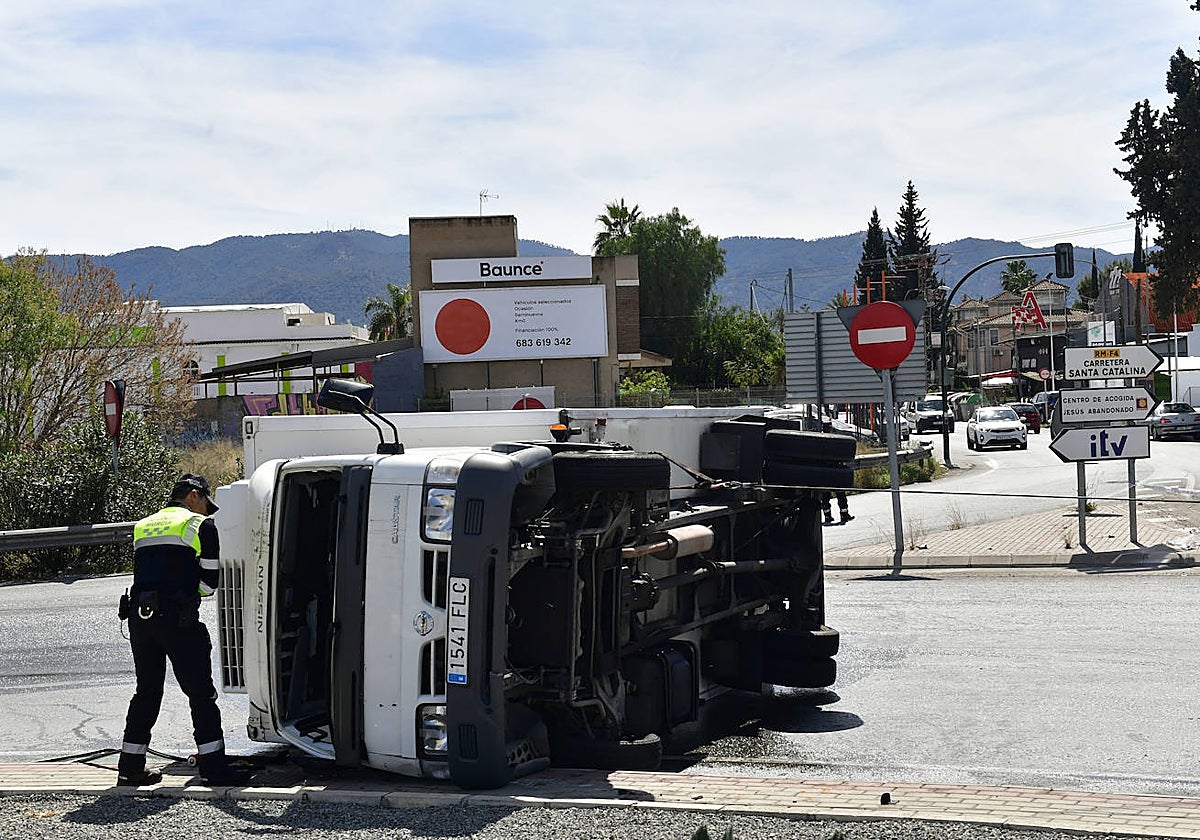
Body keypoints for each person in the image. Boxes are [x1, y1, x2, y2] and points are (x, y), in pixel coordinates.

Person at [117, 474, 255, 787]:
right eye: (207, 502)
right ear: (194, 496)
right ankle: (213, 767)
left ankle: (130, 767)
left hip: (140, 618)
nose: (208, 511)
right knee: (200, 693)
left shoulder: (144, 524)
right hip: (176, 618)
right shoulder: (200, 526)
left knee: (147, 691)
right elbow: (208, 586)